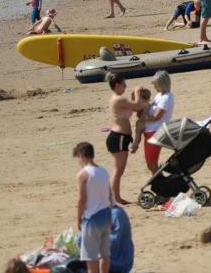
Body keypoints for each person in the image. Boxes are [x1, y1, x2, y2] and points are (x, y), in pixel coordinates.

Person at [105, 72, 146, 205]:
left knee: (119, 169)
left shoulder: (118, 98)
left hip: (120, 137)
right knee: (118, 170)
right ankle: (115, 199)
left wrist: (135, 96)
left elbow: (133, 108)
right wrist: (138, 91)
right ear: (117, 85)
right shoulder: (118, 99)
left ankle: (115, 198)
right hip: (118, 137)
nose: (125, 87)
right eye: (123, 85)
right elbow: (138, 106)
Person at [73, 141, 113, 273]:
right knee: (105, 254)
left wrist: (78, 218)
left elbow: (82, 199)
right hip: (106, 214)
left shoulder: (83, 174)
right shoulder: (104, 171)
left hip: (92, 217)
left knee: (90, 257)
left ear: (81, 155)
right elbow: (110, 195)